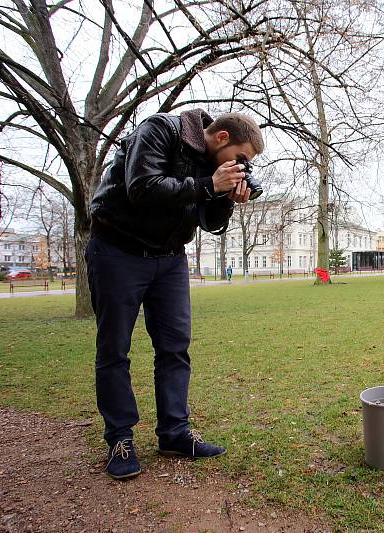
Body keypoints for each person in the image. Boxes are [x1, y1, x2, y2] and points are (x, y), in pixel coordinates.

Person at [87, 109, 264, 479]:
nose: (242, 167)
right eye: (242, 159)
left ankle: (175, 433)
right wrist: (209, 185)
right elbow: (142, 187)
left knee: (174, 347)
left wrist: (228, 197)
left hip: (169, 258)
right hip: (118, 249)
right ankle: (120, 438)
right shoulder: (160, 130)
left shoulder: (210, 166)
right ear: (221, 139)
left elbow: (211, 223)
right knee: (114, 348)